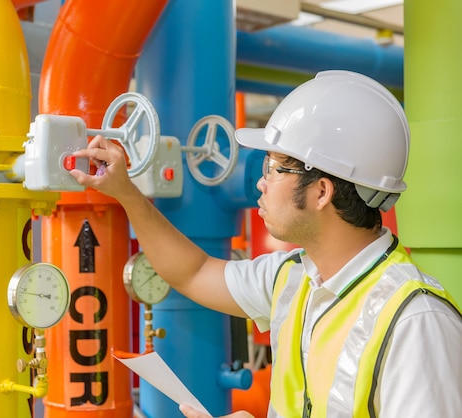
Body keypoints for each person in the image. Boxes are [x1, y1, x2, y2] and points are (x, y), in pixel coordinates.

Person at [69, 70, 462, 417]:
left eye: (273, 167)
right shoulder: (291, 278)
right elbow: (192, 272)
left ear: (322, 191)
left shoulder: (415, 322)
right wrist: (128, 194)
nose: (260, 182)